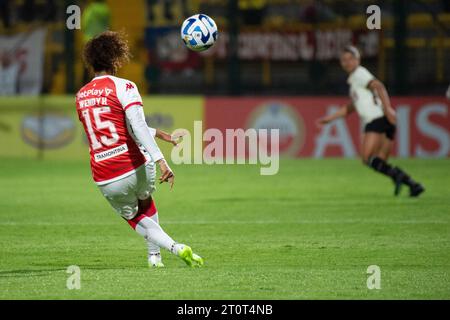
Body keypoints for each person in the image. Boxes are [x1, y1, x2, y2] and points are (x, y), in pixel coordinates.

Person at [76, 31, 204, 268]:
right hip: (136, 165)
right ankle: (157, 255)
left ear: (90, 62)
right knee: (145, 200)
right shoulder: (124, 86)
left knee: (135, 217)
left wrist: (157, 133)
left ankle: (164, 253)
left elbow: (114, 127)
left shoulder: (81, 95)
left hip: (105, 175)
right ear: (116, 59)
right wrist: (161, 160)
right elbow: (135, 125)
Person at [316, 46, 424, 197]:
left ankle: (399, 177)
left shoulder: (360, 74)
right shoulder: (355, 80)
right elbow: (352, 106)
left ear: (357, 59)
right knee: (380, 162)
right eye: (343, 60)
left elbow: (378, 86)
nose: (346, 63)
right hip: (385, 121)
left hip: (376, 119)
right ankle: (413, 185)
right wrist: (330, 118)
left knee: (367, 159)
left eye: (350, 59)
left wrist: (387, 109)